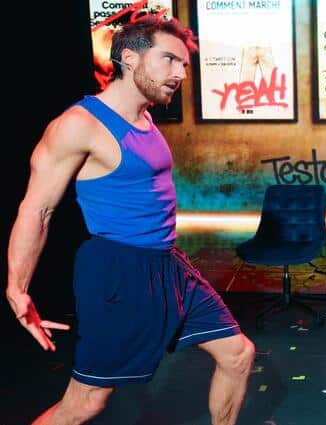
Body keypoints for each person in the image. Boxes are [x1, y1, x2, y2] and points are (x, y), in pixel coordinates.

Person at [6, 16, 255, 425]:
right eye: (169, 59)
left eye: (184, 65)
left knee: (238, 354)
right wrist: (17, 288)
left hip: (168, 263)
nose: (180, 74)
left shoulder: (143, 115)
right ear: (129, 58)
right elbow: (37, 210)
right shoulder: (78, 126)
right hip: (120, 270)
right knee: (85, 404)